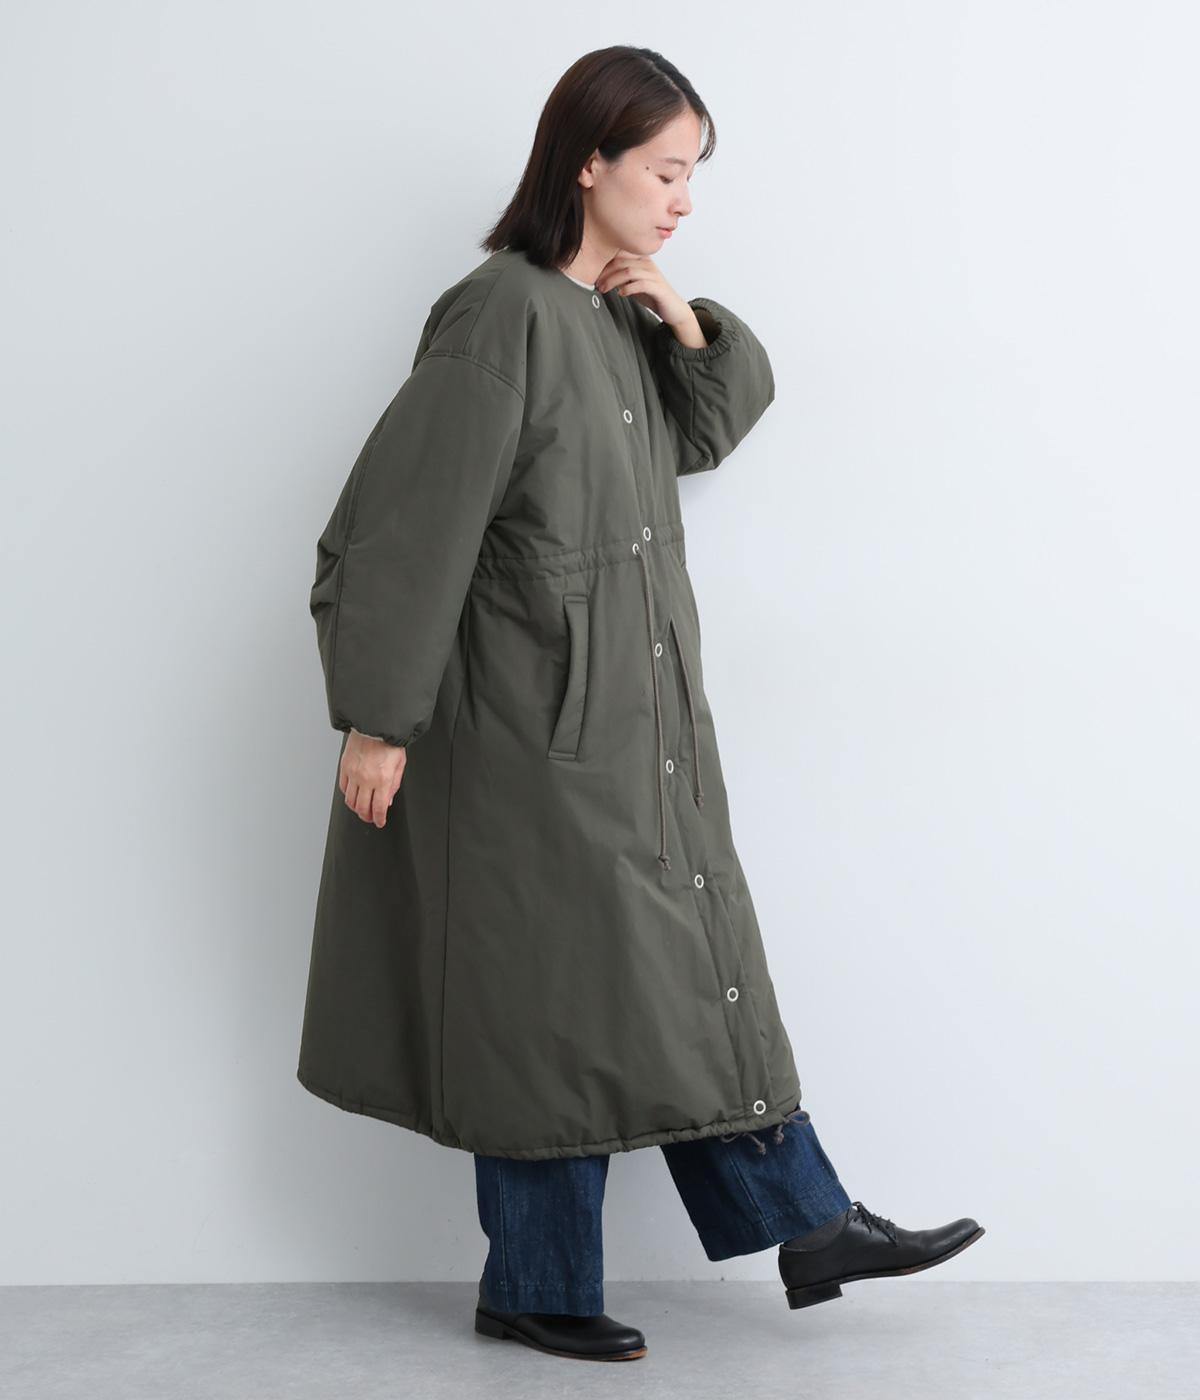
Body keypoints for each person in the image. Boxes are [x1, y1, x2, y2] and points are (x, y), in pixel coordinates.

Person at [297, 45, 984, 1363]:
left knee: (653, 981)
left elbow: (709, 426)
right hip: (524, 731)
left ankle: (797, 1224)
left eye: (691, 175)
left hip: (629, 723)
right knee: (549, 1001)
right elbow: (405, 526)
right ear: (588, 163)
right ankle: (561, 1281)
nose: (682, 198)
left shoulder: (607, 319)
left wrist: (674, 307)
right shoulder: (499, 318)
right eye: (664, 171)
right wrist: (377, 716)